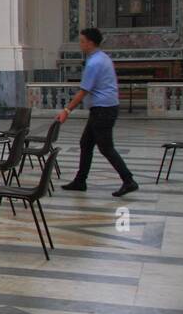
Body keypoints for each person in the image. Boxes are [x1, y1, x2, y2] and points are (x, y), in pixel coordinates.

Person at [57, 27, 138, 197]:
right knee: (86, 144)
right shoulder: (102, 58)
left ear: (90, 42)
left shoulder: (94, 63)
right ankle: (80, 181)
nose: (80, 45)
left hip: (103, 110)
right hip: (103, 108)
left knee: (106, 147)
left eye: (82, 41)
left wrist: (66, 110)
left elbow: (83, 90)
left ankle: (128, 180)